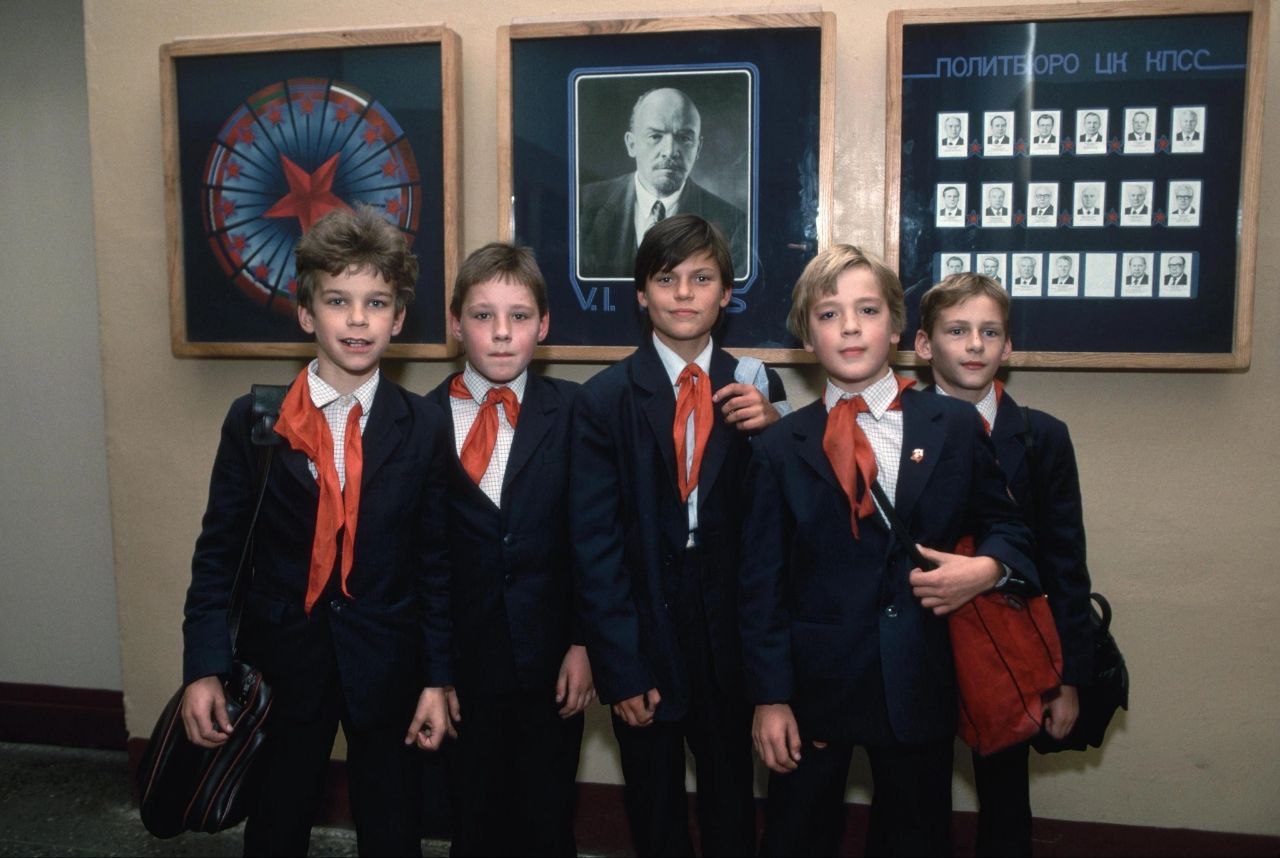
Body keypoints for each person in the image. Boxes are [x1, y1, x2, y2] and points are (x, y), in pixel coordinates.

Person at [740, 245, 1036, 857]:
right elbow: (760, 583)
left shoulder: (953, 426)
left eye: (868, 310)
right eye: (829, 314)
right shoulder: (779, 445)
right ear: (806, 337)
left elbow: (1011, 527)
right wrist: (770, 696)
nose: (850, 327)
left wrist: (985, 569)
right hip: (813, 691)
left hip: (919, 680)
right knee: (797, 836)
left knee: (915, 837)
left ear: (898, 328)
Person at [181, 206, 453, 856]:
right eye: (338, 301)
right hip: (282, 664)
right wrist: (204, 667)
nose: (358, 320)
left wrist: (437, 679)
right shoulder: (256, 420)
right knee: (277, 822)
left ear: (397, 318)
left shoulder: (423, 425)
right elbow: (219, 554)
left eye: (376, 303)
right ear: (307, 314)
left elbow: (436, 563)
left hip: (387, 664)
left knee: (393, 826)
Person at [572, 213, 787, 856]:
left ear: (727, 293)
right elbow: (595, 545)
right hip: (645, 627)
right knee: (654, 802)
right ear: (641, 294)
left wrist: (774, 430)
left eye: (702, 278)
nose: (685, 293)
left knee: (731, 798)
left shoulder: (756, 385)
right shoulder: (604, 399)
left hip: (729, 631)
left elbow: (777, 521)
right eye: (667, 279)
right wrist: (620, 665)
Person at [914, 273, 1092, 858]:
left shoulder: (1042, 437)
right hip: (919, 642)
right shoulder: (896, 424)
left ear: (1008, 346)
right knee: (917, 795)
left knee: (1006, 794)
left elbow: (1065, 562)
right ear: (924, 344)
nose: (974, 345)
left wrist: (1066, 678)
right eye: (957, 330)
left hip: (1010, 643)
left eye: (990, 332)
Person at [424, 243, 592, 856]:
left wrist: (583, 643)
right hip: (463, 665)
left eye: (519, 316)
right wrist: (435, 673)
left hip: (552, 663)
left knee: (549, 821)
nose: (501, 333)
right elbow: (421, 559)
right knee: (473, 822)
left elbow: (592, 538)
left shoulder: (574, 413)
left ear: (543, 325)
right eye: (482, 315)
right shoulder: (419, 421)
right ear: (455, 323)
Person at [579, 87, 747, 279]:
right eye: (655, 136)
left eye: (684, 138)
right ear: (631, 144)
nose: (669, 151)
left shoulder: (733, 226)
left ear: (698, 149)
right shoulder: (582, 204)